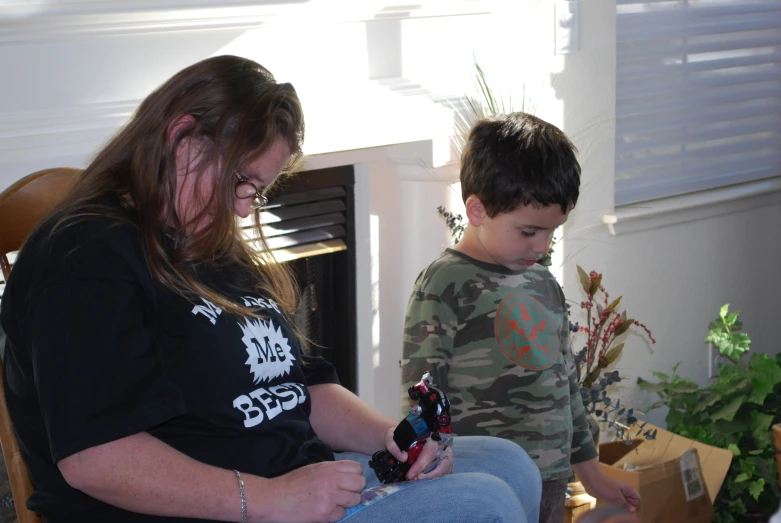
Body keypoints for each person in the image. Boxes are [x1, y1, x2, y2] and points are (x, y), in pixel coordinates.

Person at [0, 55, 542, 523]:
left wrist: (392, 438)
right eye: (242, 182)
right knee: (482, 505)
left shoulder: (207, 241)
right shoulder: (85, 256)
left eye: (254, 191)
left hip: (289, 480)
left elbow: (301, 386)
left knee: (508, 463)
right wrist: (269, 499)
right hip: (217, 506)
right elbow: (96, 458)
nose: (242, 207)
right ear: (182, 138)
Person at [400, 112, 641, 523]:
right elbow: (422, 389)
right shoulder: (445, 283)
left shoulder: (543, 283)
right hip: (480, 481)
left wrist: (592, 476)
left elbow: (566, 390)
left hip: (548, 480)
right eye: (529, 232)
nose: (543, 246)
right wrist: (432, 455)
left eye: (553, 231)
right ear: (476, 210)